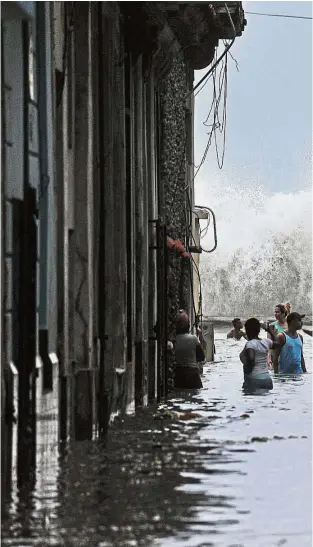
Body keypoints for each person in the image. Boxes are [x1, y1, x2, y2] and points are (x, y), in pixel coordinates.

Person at [239, 318, 280, 392]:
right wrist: (269, 331)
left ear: (247, 330)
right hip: (268, 380)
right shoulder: (266, 342)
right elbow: (277, 344)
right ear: (258, 331)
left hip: (254, 379)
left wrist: (248, 372)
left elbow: (251, 359)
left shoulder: (250, 344)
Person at [174, 311, 205, 389]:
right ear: (188, 326)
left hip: (178, 374)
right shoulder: (193, 339)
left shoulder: (173, 340)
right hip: (192, 374)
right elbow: (202, 357)